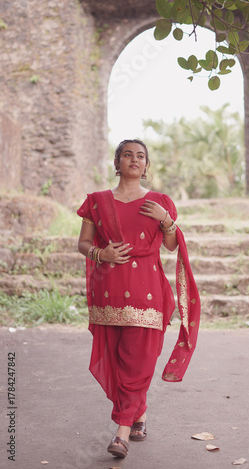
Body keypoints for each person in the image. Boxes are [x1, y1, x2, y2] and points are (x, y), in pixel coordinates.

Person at [77, 139, 200, 459]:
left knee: (138, 358)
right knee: (120, 361)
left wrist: (166, 220)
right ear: (117, 163)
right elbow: (83, 243)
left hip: (148, 291)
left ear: (147, 166)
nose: (134, 159)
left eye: (140, 156)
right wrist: (99, 253)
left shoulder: (160, 201)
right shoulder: (96, 201)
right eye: (127, 155)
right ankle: (138, 413)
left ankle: (121, 432)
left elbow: (171, 245)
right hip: (109, 291)